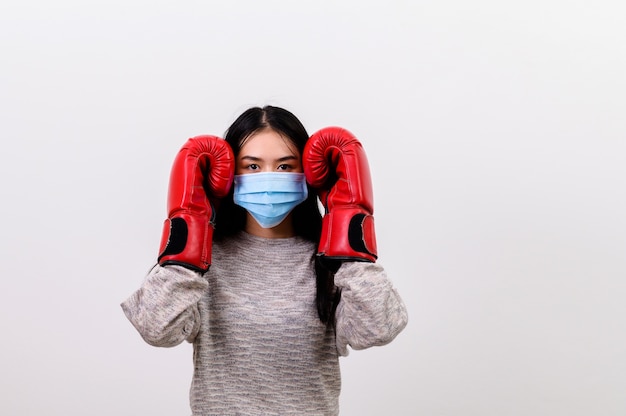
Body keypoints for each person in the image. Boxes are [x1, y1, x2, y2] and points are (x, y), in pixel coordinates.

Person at [121, 105, 408, 416]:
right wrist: (189, 233)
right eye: (253, 167)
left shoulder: (330, 265)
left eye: (285, 167)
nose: (269, 178)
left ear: (309, 175)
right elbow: (155, 328)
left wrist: (349, 231)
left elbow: (379, 327)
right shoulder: (203, 266)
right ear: (228, 174)